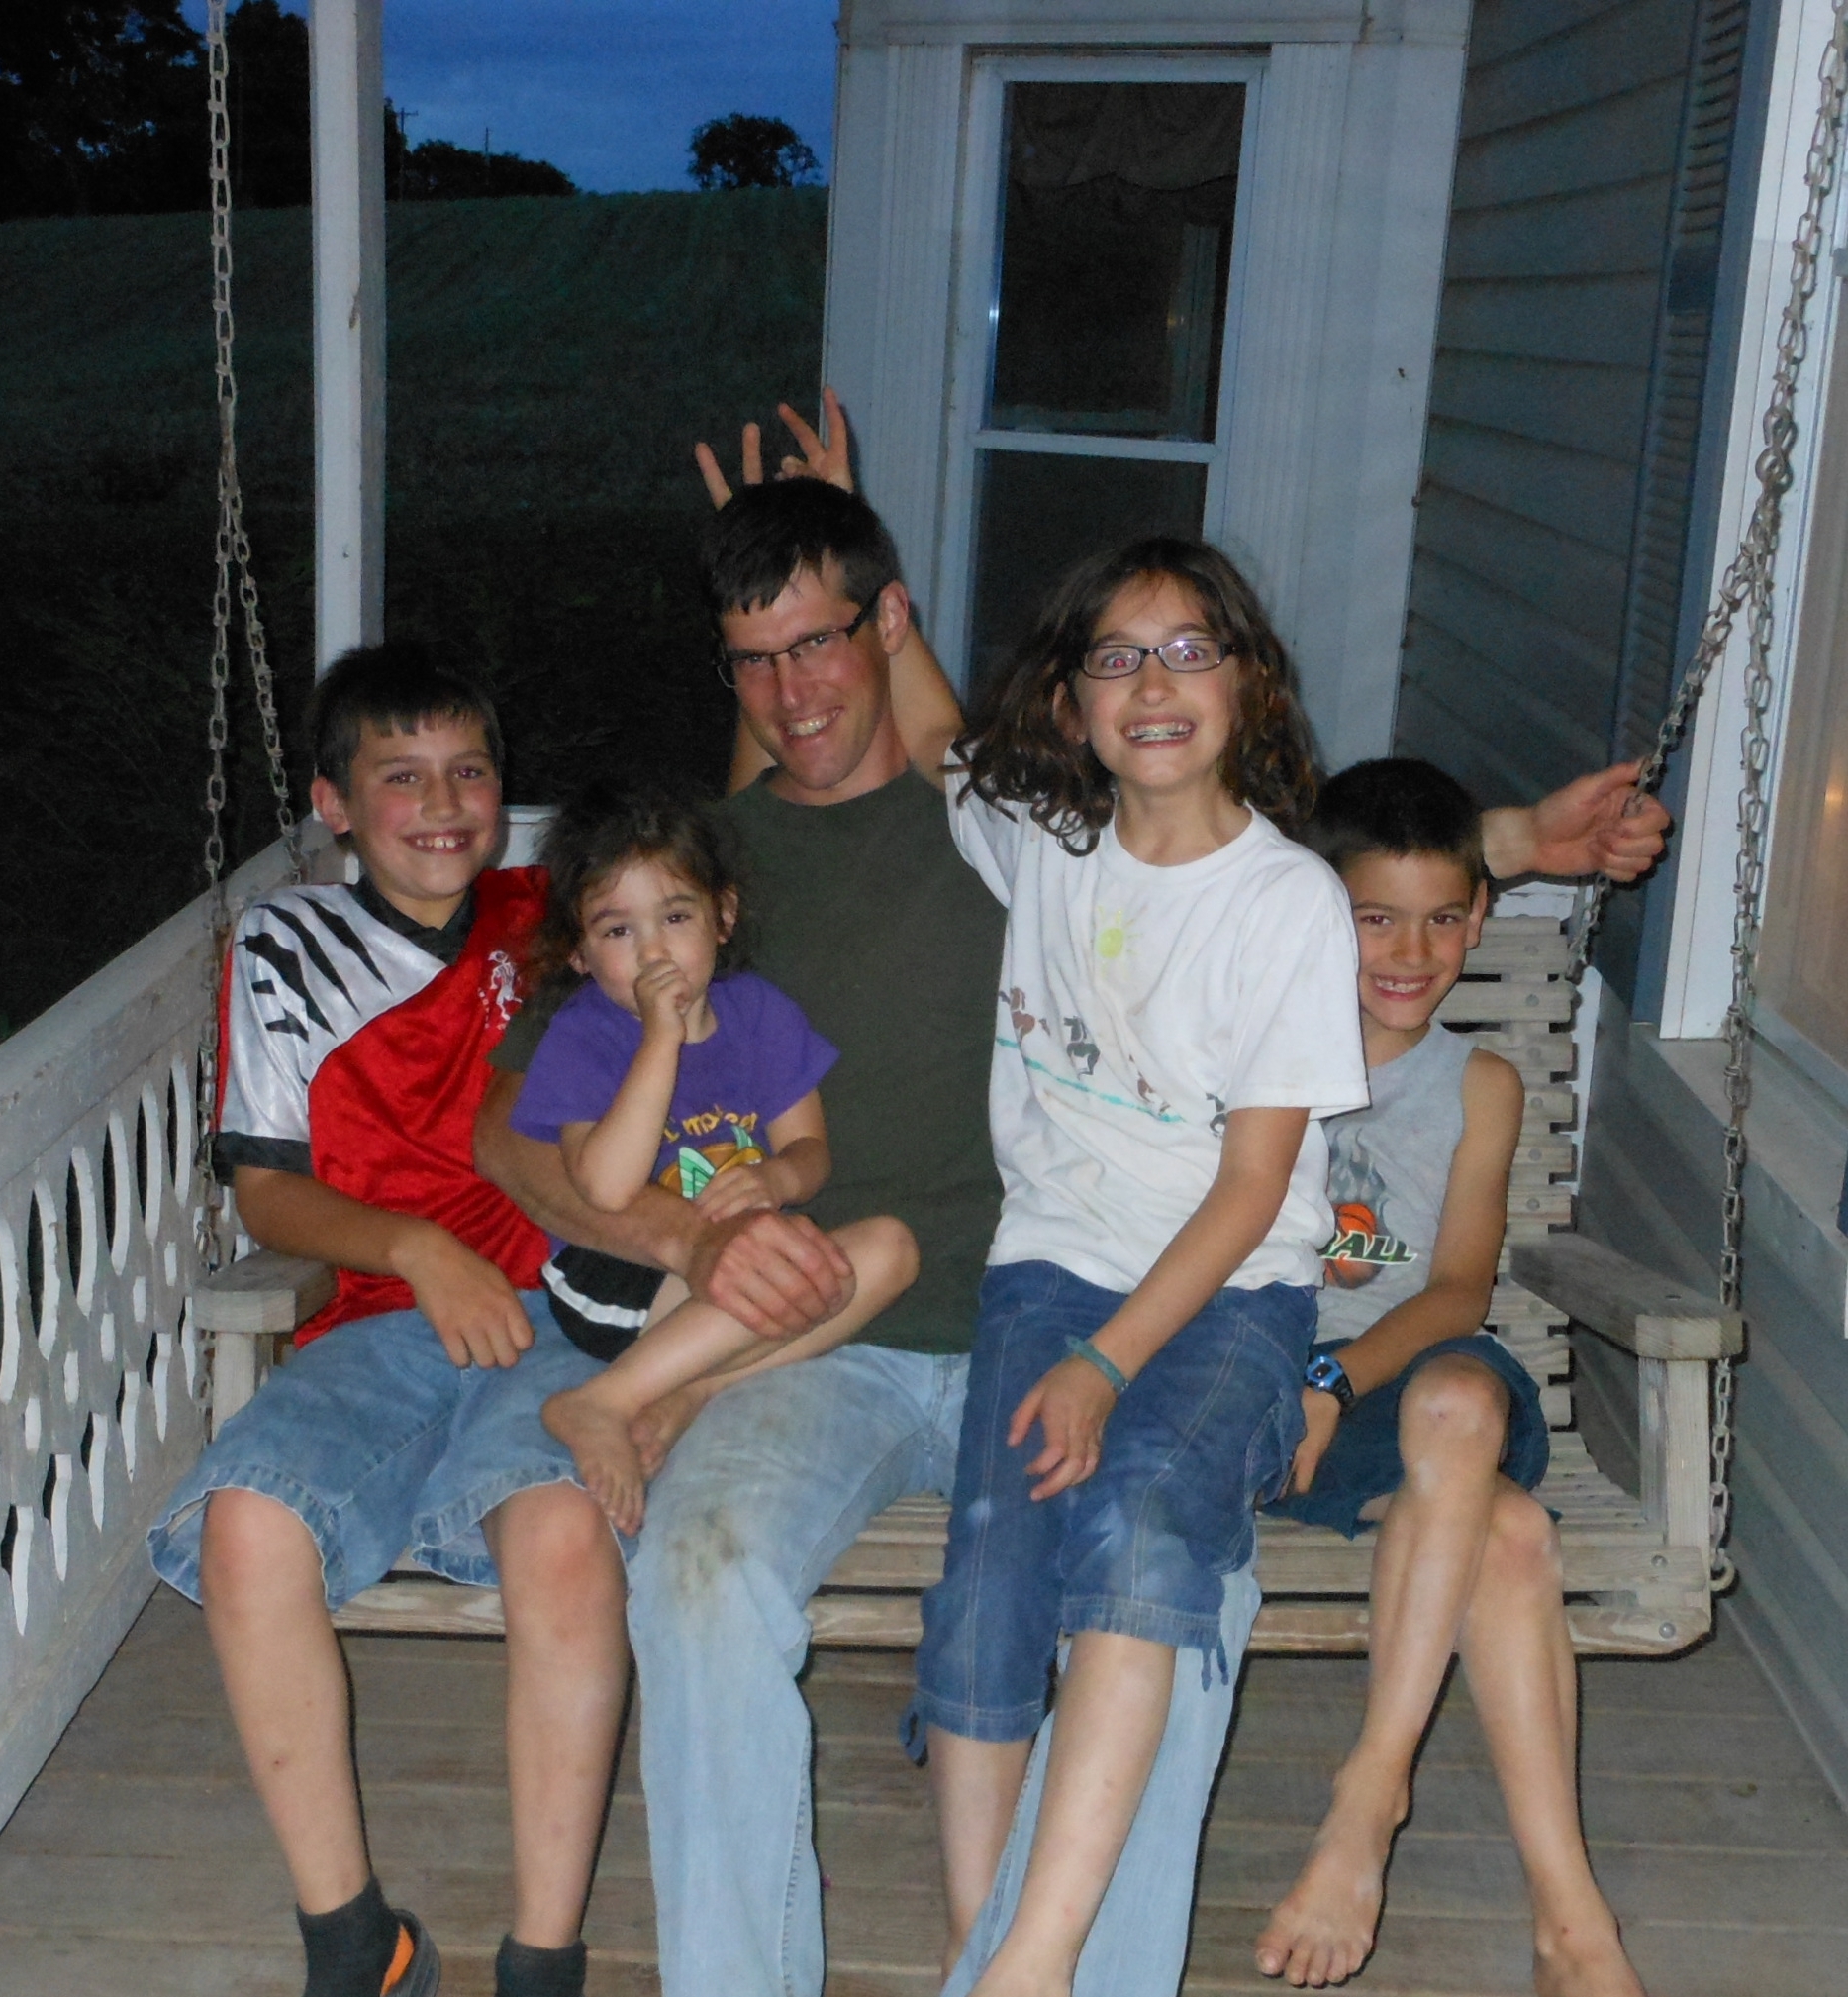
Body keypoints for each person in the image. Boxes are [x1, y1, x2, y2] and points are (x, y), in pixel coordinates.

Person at [475, 403, 1672, 1997]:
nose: (795, 689)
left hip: (1101, 1308)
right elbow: (513, 1130)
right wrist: (690, 1238)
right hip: (832, 1339)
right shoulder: (703, 876)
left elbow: (1282, 867)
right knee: (695, 1570)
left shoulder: (1018, 821)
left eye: (825, 642)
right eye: (755, 661)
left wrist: (1516, 840)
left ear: (888, 627)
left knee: (1162, 1596)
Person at [896, 534, 1368, 1997]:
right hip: (1051, 1266)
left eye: (1186, 652)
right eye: (1114, 656)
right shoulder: (1045, 836)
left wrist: (1109, 1366)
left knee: (1146, 1542)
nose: (1151, 685)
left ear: (1246, 683)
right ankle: (990, 1945)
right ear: (1071, 698)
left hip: (1231, 1294)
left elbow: (1252, 1188)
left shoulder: (1285, 902)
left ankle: (1032, 1962)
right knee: (991, 1572)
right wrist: (887, 606)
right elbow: (926, 739)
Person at [146, 643, 629, 1997]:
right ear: (334, 802)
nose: (441, 802)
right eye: (398, 774)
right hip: (379, 1319)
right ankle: (355, 1943)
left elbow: (740, 846)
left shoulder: (557, 919)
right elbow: (265, 1191)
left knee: (561, 1535)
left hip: (568, 1322)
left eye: (468, 770)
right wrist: (420, 1250)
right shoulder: (284, 945)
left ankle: (543, 1959)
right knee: (247, 1527)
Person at [1252, 759, 1644, 1997]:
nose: (1410, 951)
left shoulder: (1478, 1084)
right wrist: (1291, 1383)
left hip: (1411, 1377)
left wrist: (1328, 1373)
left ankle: (1368, 1792)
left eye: (1440, 916)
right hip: (1282, 1404)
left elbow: (1455, 1293)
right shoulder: (1250, 1053)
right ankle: (1569, 1923)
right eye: (1373, 916)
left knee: (1458, 1398)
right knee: (1511, 1539)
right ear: (1321, 913)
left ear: (1479, 919)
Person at [512, 781, 918, 1533]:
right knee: (773, 1293)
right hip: (614, 1275)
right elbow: (603, 1187)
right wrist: (659, 1038)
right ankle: (600, 1399)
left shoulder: (759, 1012)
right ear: (576, 952)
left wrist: (775, 1176)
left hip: (733, 1261)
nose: (654, 950)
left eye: (674, 916)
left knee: (888, 1249)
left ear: (722, 916)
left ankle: (686, 1391)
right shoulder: (584, 1036)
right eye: (617, 930)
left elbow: (810, 1150)